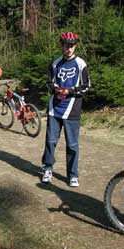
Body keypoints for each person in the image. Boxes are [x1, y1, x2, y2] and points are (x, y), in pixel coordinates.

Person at [41, 32, 91, 187]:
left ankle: (72, 174)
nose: (68, 49)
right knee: (50, 141)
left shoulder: (81, 64)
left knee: (72, 145)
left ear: (75, 46)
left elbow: (87, 85)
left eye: (71, 46)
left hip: (72, 110)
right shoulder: (55, 63)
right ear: (61, 45)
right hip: (54, 109)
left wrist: (69, 91)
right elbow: (49, 82)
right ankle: (47, 169)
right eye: (66, 45)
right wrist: (54, 89)